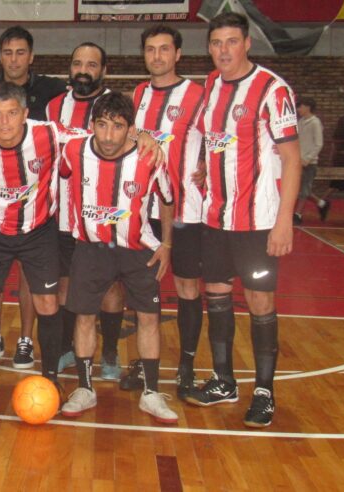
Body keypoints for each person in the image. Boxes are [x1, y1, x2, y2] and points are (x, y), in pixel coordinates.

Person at [185, 12, 301, 428]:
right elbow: (218, 142)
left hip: (258, 221)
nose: (223, 51)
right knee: (215, 293)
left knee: (259, 301)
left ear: (248, 43)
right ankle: (224, 380)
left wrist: (284, 221)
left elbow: (292, 160)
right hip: (215, 216)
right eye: (216, 43)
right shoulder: (211, 85)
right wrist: (204, 166)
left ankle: (265, 391)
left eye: (232, 42)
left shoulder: (273, 89)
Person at [59, 92, 177, 423]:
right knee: (83, 317)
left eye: (118, 126)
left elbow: (168, 198)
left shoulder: (150, 157)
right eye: (102, 125)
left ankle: (152, 394)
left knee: (149, 317)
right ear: (91, 125)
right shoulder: (72, 150)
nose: (109, 136)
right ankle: (84, 388)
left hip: (138, 250)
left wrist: (166, 245)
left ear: (130, 128)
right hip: (90, 248)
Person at [0, 26, 66, 368]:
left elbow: (96, 138)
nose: (5, 122)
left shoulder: (50, 135)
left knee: (47, 303)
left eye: (12, 113)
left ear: (26, 114)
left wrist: (137, 135)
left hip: (39, 230)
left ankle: (51, 374)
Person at [122, 24, 206, 400]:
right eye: (150, 50)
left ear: (178, 54)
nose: (157, 56)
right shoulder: (138, 94)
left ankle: (186, 365)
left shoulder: (198, 95)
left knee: (187, 287)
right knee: (143, 291)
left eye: (164, 49)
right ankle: (145, 359)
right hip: (143, 210)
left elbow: (217, 139)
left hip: (186, 209)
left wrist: (207, 167)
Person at [45, 42, 125, 379]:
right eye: (77, 63)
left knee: (109, 289)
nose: (83, 70)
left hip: (105, 219)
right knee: (64, 288)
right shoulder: (53, 107)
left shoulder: (115, 108)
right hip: (62, 217)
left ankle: (109, 353)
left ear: (103, 70)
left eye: (91, 64)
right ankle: (66, 349)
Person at [293, 97, 326, 223]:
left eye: (300, 106)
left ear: (308, 107)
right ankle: (322, 204)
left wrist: (307, 158)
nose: (298, 109)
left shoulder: (315, 122)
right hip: (298, 161)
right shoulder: (301, 122)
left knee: (304, 189)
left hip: (309, 162)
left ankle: (298, 214)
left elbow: (318, 144)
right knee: (299, 188)